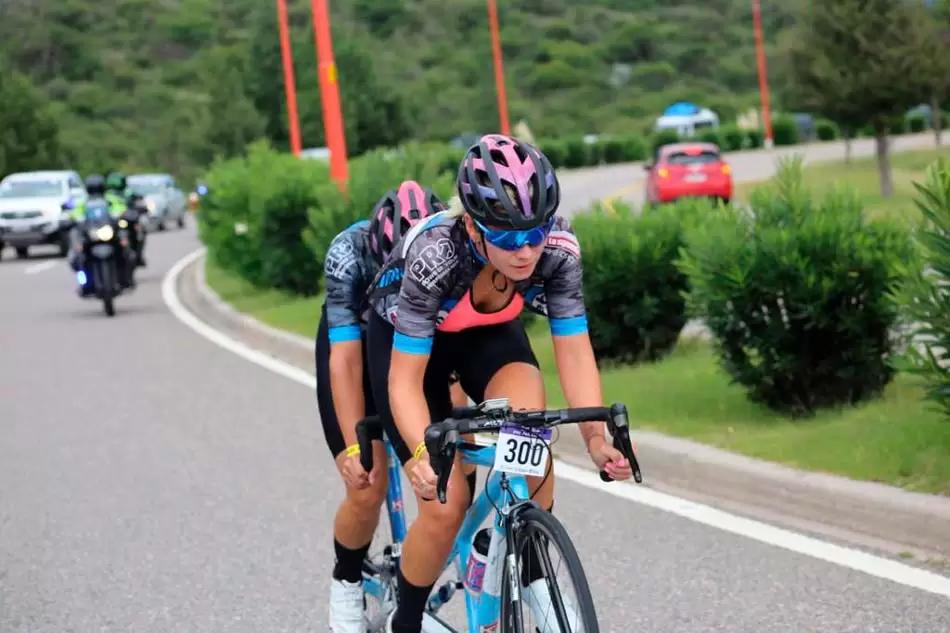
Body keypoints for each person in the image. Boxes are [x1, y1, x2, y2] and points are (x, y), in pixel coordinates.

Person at [364, 134, 635, 633]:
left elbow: (574, 349)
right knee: (446, 506)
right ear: (472, 225)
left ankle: (523, 553)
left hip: (486, 333)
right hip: (410, 343)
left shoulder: (556, 251)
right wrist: (421, 456)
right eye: (508, 239)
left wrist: (596, 440)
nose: (526, 251)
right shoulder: (435, 255)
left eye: (536, 233)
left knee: (531, 430)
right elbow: (403, 380)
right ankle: (406, 620)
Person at [317, 180, 470, 633]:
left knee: (451, 480)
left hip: (421, 345)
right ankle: (346, 578)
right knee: (367, 484)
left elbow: (454, 359)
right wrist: (351, 448)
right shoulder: (348, 254)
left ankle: (413, 592)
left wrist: (456, 426)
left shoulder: (447, 249)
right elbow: (344, 361)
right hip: (359, 347)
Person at [67, 174, 135, 291]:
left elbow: (121, 208)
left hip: (109, 232)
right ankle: (85, 282)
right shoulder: (83, 203)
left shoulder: (110, 200)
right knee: (77, 255)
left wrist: (123, 215)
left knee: (127, 251)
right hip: (90, 234)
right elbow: (74, 214)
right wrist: (72, 219)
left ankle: (126, 278)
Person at [106, 171, 147, 267]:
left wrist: (141, 207)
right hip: (114, 222)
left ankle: (139, 254)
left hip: (129, 220)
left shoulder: (129, 193)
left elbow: (140, 201)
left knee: (141, 230)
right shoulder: (107, 196)